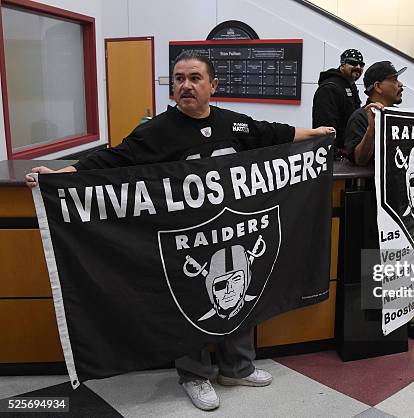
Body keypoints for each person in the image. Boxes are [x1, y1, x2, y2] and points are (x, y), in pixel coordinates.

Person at [26, 49, 334, 411]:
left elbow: (274, 133)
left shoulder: (233, 123)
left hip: (234, 234)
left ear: (213, 85)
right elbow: (111, 160)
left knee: (241, 296)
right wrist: (62, 175)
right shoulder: (157, 130)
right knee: (189, 303)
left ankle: (237, 367)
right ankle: (194, 375)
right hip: (188, 243)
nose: (185, 86)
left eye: (194, 78)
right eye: (178, 79)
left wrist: (315, 133)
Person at [344, 61, 414, 341]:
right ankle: (380, 316)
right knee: (378, 261)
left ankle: (408, 313)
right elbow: (359, 157)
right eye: (395, 80)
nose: (401, 85)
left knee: (403, 259)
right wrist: (372, 125)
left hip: (399, 202)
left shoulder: (397, 115)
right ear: (378, 87)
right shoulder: (360, 116)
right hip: (372, 202)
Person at [312, 48, 364, 157]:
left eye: (361, 64)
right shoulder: (329, 88)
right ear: (342, 65)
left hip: (349, 152)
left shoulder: (350, 86)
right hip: (336, 157)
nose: (358, 67)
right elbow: (325, 129)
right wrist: (333, 155)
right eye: (353, 63)